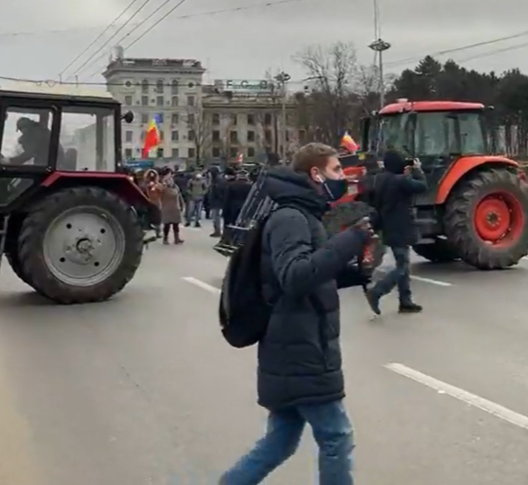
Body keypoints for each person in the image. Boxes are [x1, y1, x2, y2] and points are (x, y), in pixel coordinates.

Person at [220, 143, 373, 484]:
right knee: (336, 436)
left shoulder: (303, 214)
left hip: (295, 345)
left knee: (281, 442)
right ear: (315, 174)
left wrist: (352, 274)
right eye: (336, 170)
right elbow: (295, 277)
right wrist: (349, 241)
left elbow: (302, 276)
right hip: (300, 348)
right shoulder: (290, 217)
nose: (342, 177)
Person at [364, 150, 427, 316]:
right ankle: (377, 292)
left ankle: (405, 301)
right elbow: (422, 186)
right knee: (402, 266)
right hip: (400, 227)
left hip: (388, 227)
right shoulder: (399, 181)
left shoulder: (380, 179)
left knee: (402, 264)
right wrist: (418, 170)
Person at [159, 173, 184, 244]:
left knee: (176, 224)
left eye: (171, 180)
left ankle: (177, 239)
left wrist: (182, 205)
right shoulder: (163, 189)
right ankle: (165, 239)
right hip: (166, 208)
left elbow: (179, 196)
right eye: (168, 180)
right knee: (167, 225)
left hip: (175, 208)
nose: (170, 181)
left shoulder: (176, 187)